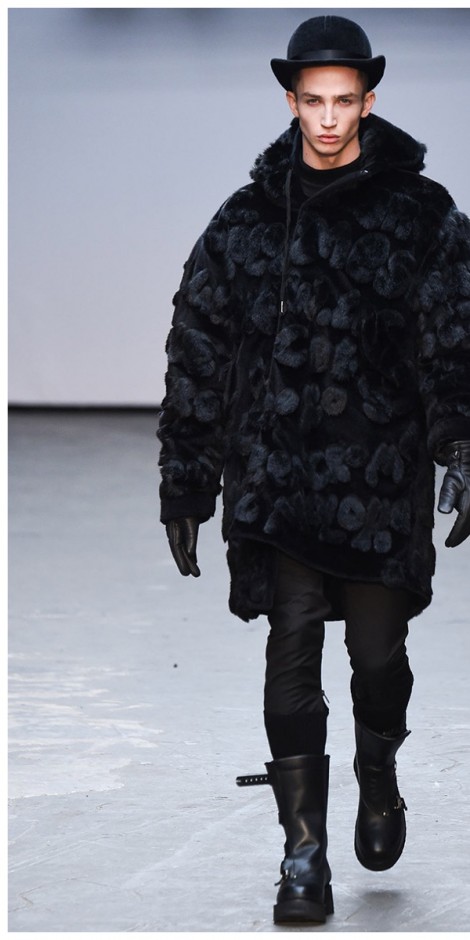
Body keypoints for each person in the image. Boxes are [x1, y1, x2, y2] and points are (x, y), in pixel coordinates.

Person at [157, 14, 470, 925]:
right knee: (289, 643)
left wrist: (460, 443)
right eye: (312, 101)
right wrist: (187, 477)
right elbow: (199, 342)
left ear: (368, 100)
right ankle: (303, 854)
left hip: (378, 477)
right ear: (291, 101)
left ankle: (378, 767)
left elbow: (455, 336)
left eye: (344, 100)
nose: (328, 118)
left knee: (377, 657)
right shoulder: (248, 219)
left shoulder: (422, 215)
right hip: (279, 473)